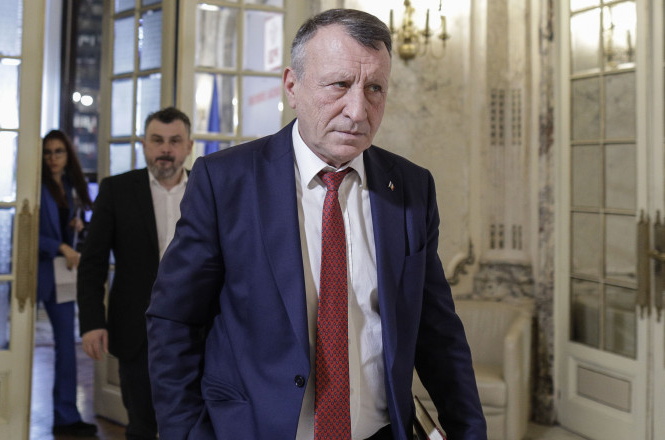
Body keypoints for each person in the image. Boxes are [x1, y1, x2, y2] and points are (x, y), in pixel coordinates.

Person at [145, 8, 487, 440]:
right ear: (293, 86)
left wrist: (469, 431)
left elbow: (437, 332)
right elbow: (174, 321)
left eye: (375, 88)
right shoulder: (225, 182)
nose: (358, 111)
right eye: (339, 84)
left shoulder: (411, 188)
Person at [77, 107, 194, 440]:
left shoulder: (208, 188)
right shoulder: (117, 190)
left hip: (199, 330)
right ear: (143, 144)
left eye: (175, 141)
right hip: (136, 329)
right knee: (142, 425)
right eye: (157, 140)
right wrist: (92, 322)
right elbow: (93, 262)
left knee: (193, 424)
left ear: (189, 146)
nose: (165, 149)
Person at [37, 129, 96, 437]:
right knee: (20, 344)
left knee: (66, 344)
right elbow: (27, 230)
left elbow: (70, 228)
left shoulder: (71, 186)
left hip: (62, 273)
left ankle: (66, 415)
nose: (53, 158)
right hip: (36, 270)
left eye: (58, 151)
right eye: (48, 152)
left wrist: (76, 225)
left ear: (67, 154)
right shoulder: (35, 185)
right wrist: (59, 246)